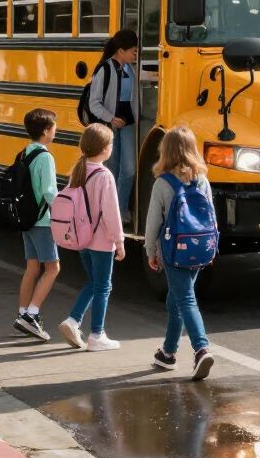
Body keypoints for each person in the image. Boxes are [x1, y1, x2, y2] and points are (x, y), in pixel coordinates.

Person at [143, 126, 216, 381]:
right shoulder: (202, 179)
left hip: (174, 249)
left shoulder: (163, 183)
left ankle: (201, 349)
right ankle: (168, 353)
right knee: (175, 301)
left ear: (166, 150)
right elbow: (211, 217)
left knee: (185, 299)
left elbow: (153, 223)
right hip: (199, 247)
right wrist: (212, 246)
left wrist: (150, 251)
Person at [58, 123, 125, 352]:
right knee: (103, 286)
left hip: (81, 239)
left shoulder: (78, 169)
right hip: (101, 241)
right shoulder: (104, 175)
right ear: (105, 149)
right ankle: (97, 334)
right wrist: (119, 241)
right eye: (112, 144)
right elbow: (111, 212)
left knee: (94, 282)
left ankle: (73, 320)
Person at [14, 107, 59, 342]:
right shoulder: (45, 157)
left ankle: (22, 312)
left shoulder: (24, 153)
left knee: (32, 267)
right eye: (54, 127)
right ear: (45, 131)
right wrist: (64, 215)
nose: (56, 131)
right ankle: (32, 314)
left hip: (26, 220)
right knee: (53, 269)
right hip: (42, 221)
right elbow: (49, 192)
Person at [87, 29, 138, 221]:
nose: (135, 55)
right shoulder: (105, 69)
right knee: (112, 169)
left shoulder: (129, 70)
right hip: (110, 126)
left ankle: (120, 208)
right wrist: (110, 118)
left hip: (128, 124)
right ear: (121, 50)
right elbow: (94, 102)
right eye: (133, 51)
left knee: (129, 169)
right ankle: (111, 213)